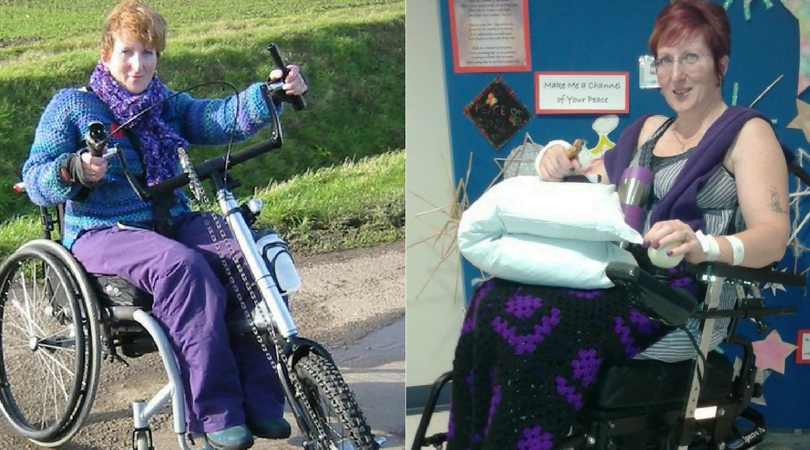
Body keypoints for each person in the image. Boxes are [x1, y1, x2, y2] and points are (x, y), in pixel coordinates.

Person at [447, 1, 792, 449]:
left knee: (538, 322)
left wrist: (702, 244)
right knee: (493, 298)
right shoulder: (648, 130)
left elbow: (773, 237)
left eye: (691, 57)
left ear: (720, 63)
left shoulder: (747, 133)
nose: (676, 74)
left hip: (677, 300)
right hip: (615, 273)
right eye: (665, 60)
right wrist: (558, 163)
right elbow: (593, 188)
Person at [21, 1, 307, 449]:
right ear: (106, 54)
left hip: (167, 219)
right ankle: (215, 411)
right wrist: (73, 168)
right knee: (183, 269)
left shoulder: (163, 103)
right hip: (102, 232)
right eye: (128, 53)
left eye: (148, 53)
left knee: (251, 253)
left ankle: (260, 401)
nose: (138, 65)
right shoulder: (72, 106)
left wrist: (269, 94)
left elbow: (214, 117)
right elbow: (35, 177)